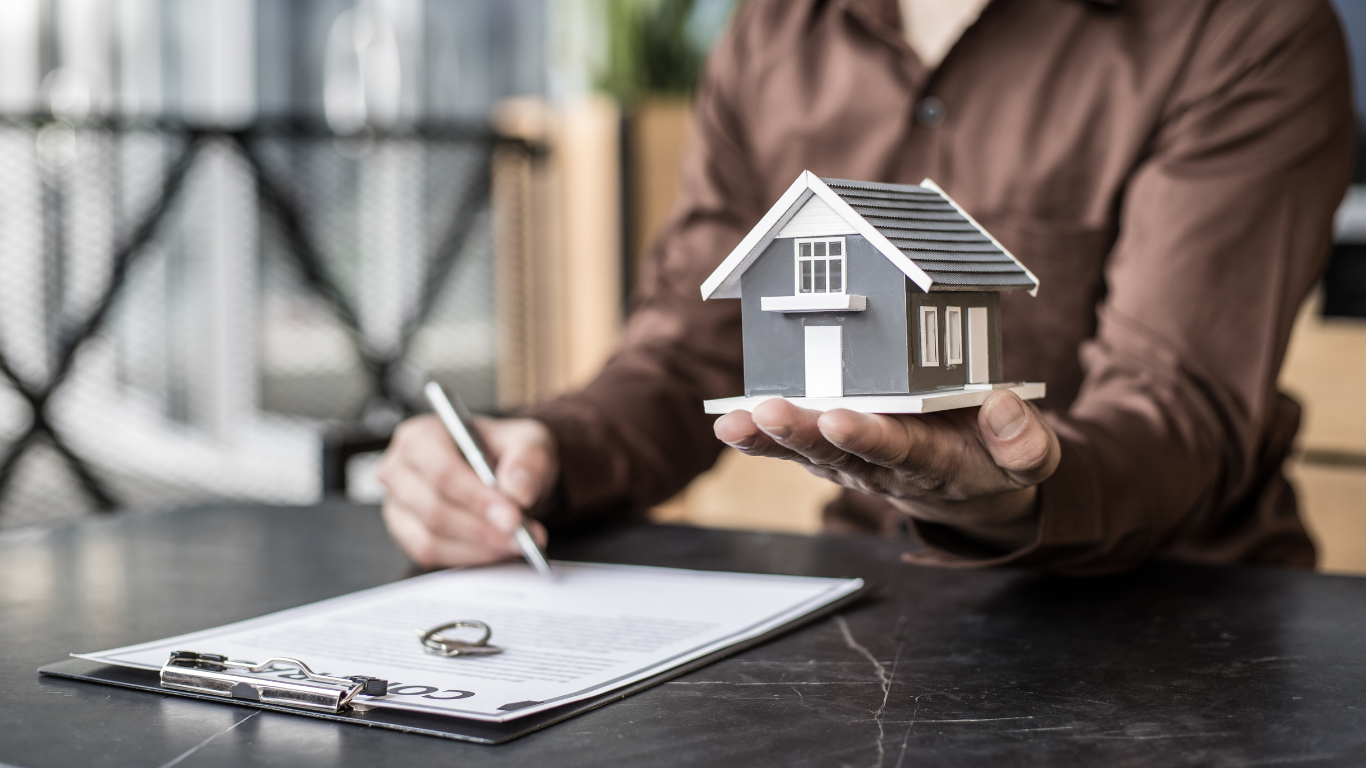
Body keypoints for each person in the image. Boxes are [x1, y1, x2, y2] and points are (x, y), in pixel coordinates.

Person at [377, 0, 1355, 575]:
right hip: (870, 622)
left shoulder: (1244, 27)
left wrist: (996, 493)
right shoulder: (772, 29)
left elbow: (1175, 404)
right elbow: (696, 344)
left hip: (1185, 633)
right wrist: (548, 446)